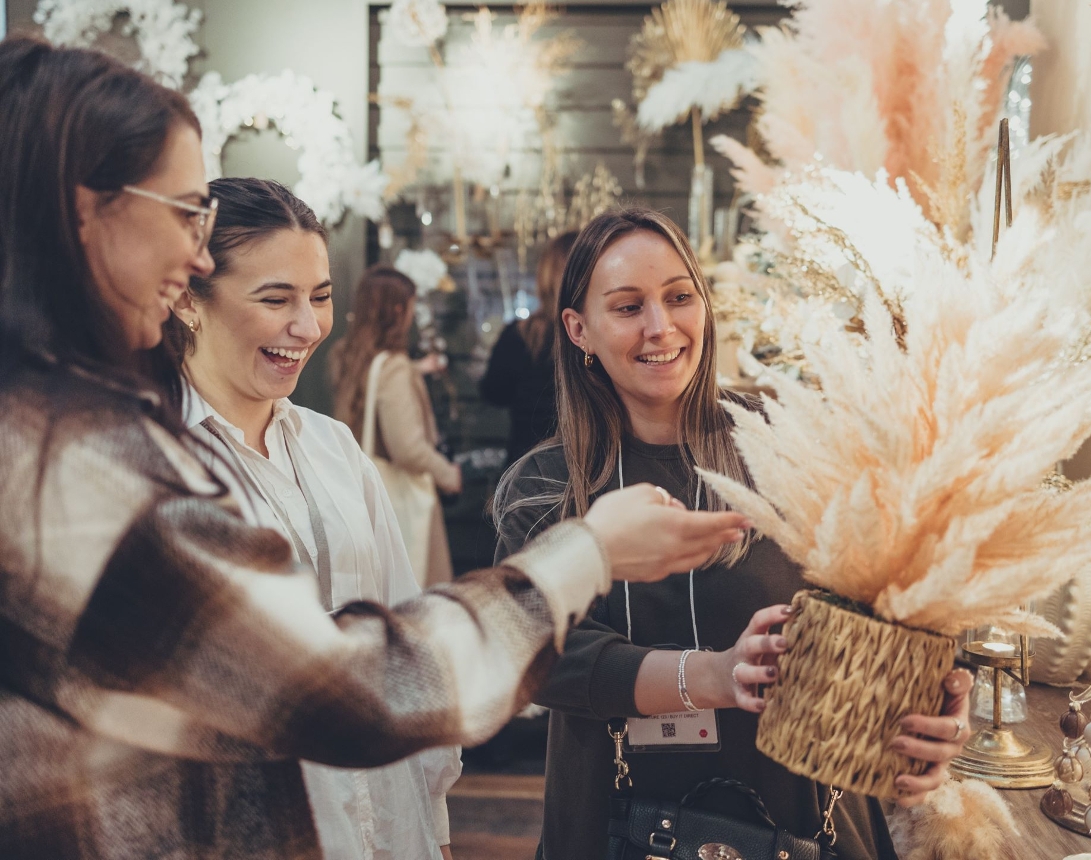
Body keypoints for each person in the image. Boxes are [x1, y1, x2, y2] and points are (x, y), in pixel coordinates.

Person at [0, 37, 752, 860]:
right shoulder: (66, 462)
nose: (194, 251)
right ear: (86, 210)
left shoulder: (302, 447)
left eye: (320, 297)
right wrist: (590, 552)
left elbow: (389, 654)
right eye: (185, 213)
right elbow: (348, 689)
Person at [493, 209, 975, 860]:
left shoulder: (793, 444)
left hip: (803, 823)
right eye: (629, 306)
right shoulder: (544, 489)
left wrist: (930, 702)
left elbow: (890, 597)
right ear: (580, 329)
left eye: (679, 297)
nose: (661, 327)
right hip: (614, 826)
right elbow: (538, 661)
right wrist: (713, 676)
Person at [164, 178, 461, 860]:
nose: (307, 327)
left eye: (321, 297)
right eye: (276, 299)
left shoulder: (334, 446)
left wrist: (434, 828)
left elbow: (406, 641)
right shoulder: (152, 458)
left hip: (384, 823)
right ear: (188, 298)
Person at [330, 263, 460, 587]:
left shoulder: (344, 356)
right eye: (412, 308)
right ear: (399, 310)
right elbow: (407, 448)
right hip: (394, 497)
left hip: (353, 492)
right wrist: (447, 474)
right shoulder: (395, 368)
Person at [481, 230, 577, 468]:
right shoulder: (601, 335)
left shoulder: (520, 334)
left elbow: (494, 391)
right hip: (586, 463)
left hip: (526, 463)